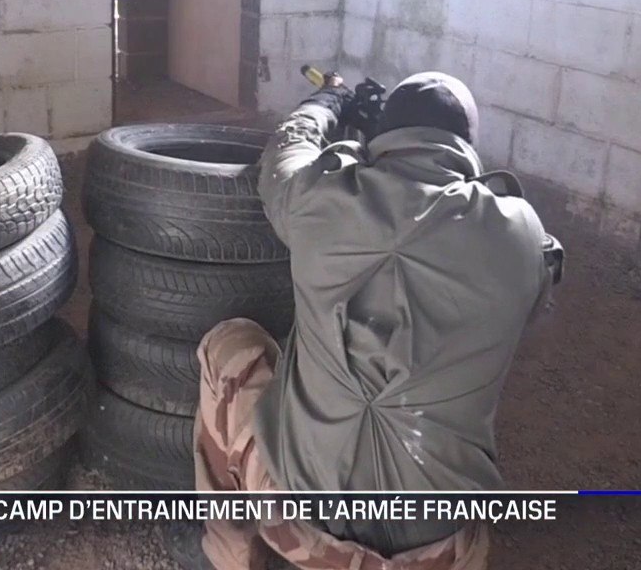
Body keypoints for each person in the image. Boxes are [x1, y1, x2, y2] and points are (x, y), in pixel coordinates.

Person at [189, 70, 562, 570]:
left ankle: (231, 555)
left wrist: (330, 101)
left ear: (386, 136)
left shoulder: (321, 198)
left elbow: (284, 153)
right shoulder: (519, 233)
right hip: (441, 552)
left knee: (230, 344)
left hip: (308, 536)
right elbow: (535, 293)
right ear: (467, 145)